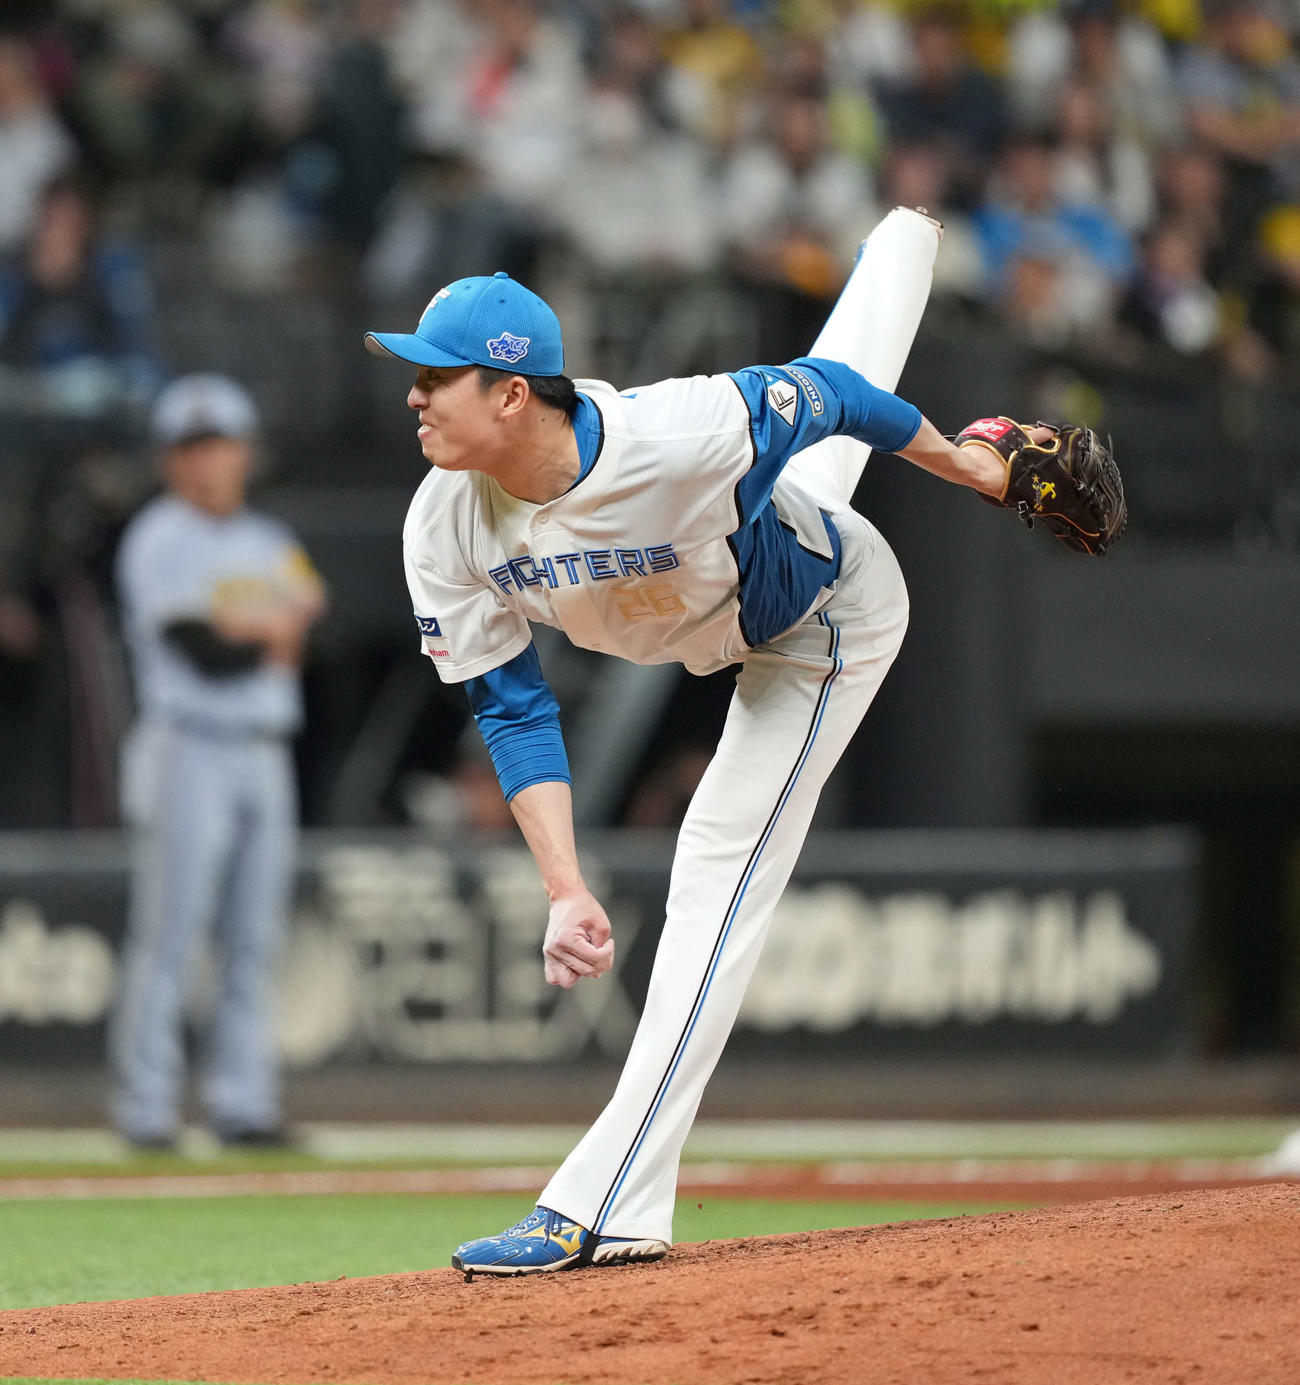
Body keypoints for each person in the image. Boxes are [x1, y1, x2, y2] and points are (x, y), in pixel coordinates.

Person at [363, 212, 1016, 1276]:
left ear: (512, 391)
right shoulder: (443, 522)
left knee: (715, 859)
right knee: (816, 447)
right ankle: (906, 238)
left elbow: (834, 394)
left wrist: (967, 470)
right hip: (730, 574)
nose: (414, 393)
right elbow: (514, 707)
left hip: (824, 613)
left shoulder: (670, 432)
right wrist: (565, 883)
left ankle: (601, 1197)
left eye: (437, 377)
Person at [110, 374, 325, 1150]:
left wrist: (255, 625)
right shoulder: (157, 536)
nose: (208, 461)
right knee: (169, 933)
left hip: (264, 750)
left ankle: (243, 1102)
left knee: (252, 937)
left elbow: (307, 628)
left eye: (221, 443)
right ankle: (147, 1107)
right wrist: (265, 629)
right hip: (188, 745)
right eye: (192, 447)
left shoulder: (267, 540)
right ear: (170, 460)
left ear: (245, 451)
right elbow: (204, 651)